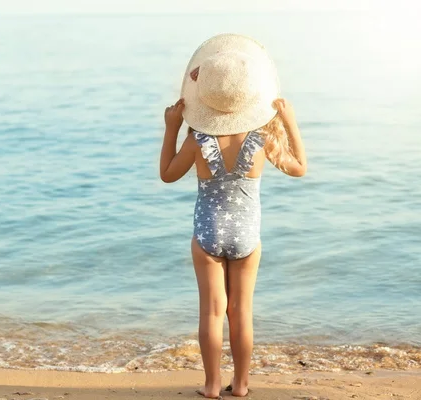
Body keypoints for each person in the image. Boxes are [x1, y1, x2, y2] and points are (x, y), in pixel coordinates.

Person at [159, 34, 307, 398]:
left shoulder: (198, 139)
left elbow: (167, 174)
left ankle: (211, 385)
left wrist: (172, 128)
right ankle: (240, 384)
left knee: (211, 313)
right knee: (240, 312)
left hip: (207, 234)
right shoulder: (262, 138)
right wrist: (289, 121)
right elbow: (299, 168)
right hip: (246, 235)